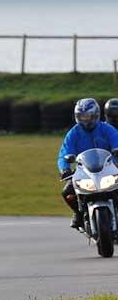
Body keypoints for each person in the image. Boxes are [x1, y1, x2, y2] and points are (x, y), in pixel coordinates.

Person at [58, 98, 118, 229]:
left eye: (87, 116)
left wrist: (116, 153)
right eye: (81, 116)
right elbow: (64, 153)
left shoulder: (107, 129)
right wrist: (65, 169)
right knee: (67, 192)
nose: (85, 119)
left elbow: (116, 143)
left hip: (109, 168)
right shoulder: (73, 133)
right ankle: (78, 213)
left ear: (96, 115)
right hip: (84, 171)